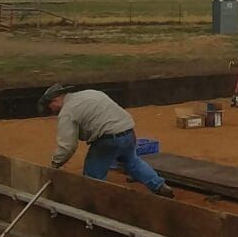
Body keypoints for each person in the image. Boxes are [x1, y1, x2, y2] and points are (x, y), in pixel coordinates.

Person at [39, 84, 174, 197]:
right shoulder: (90, 93)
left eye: (50, 106)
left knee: (92, 177)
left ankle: (96, 204)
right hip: (128, 132)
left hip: (108, 140)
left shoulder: (67, 112)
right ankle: (159, 185)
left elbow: (68, 146)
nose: (51, 111)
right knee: (132, 161)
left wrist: (55, 165)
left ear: (56, 100)